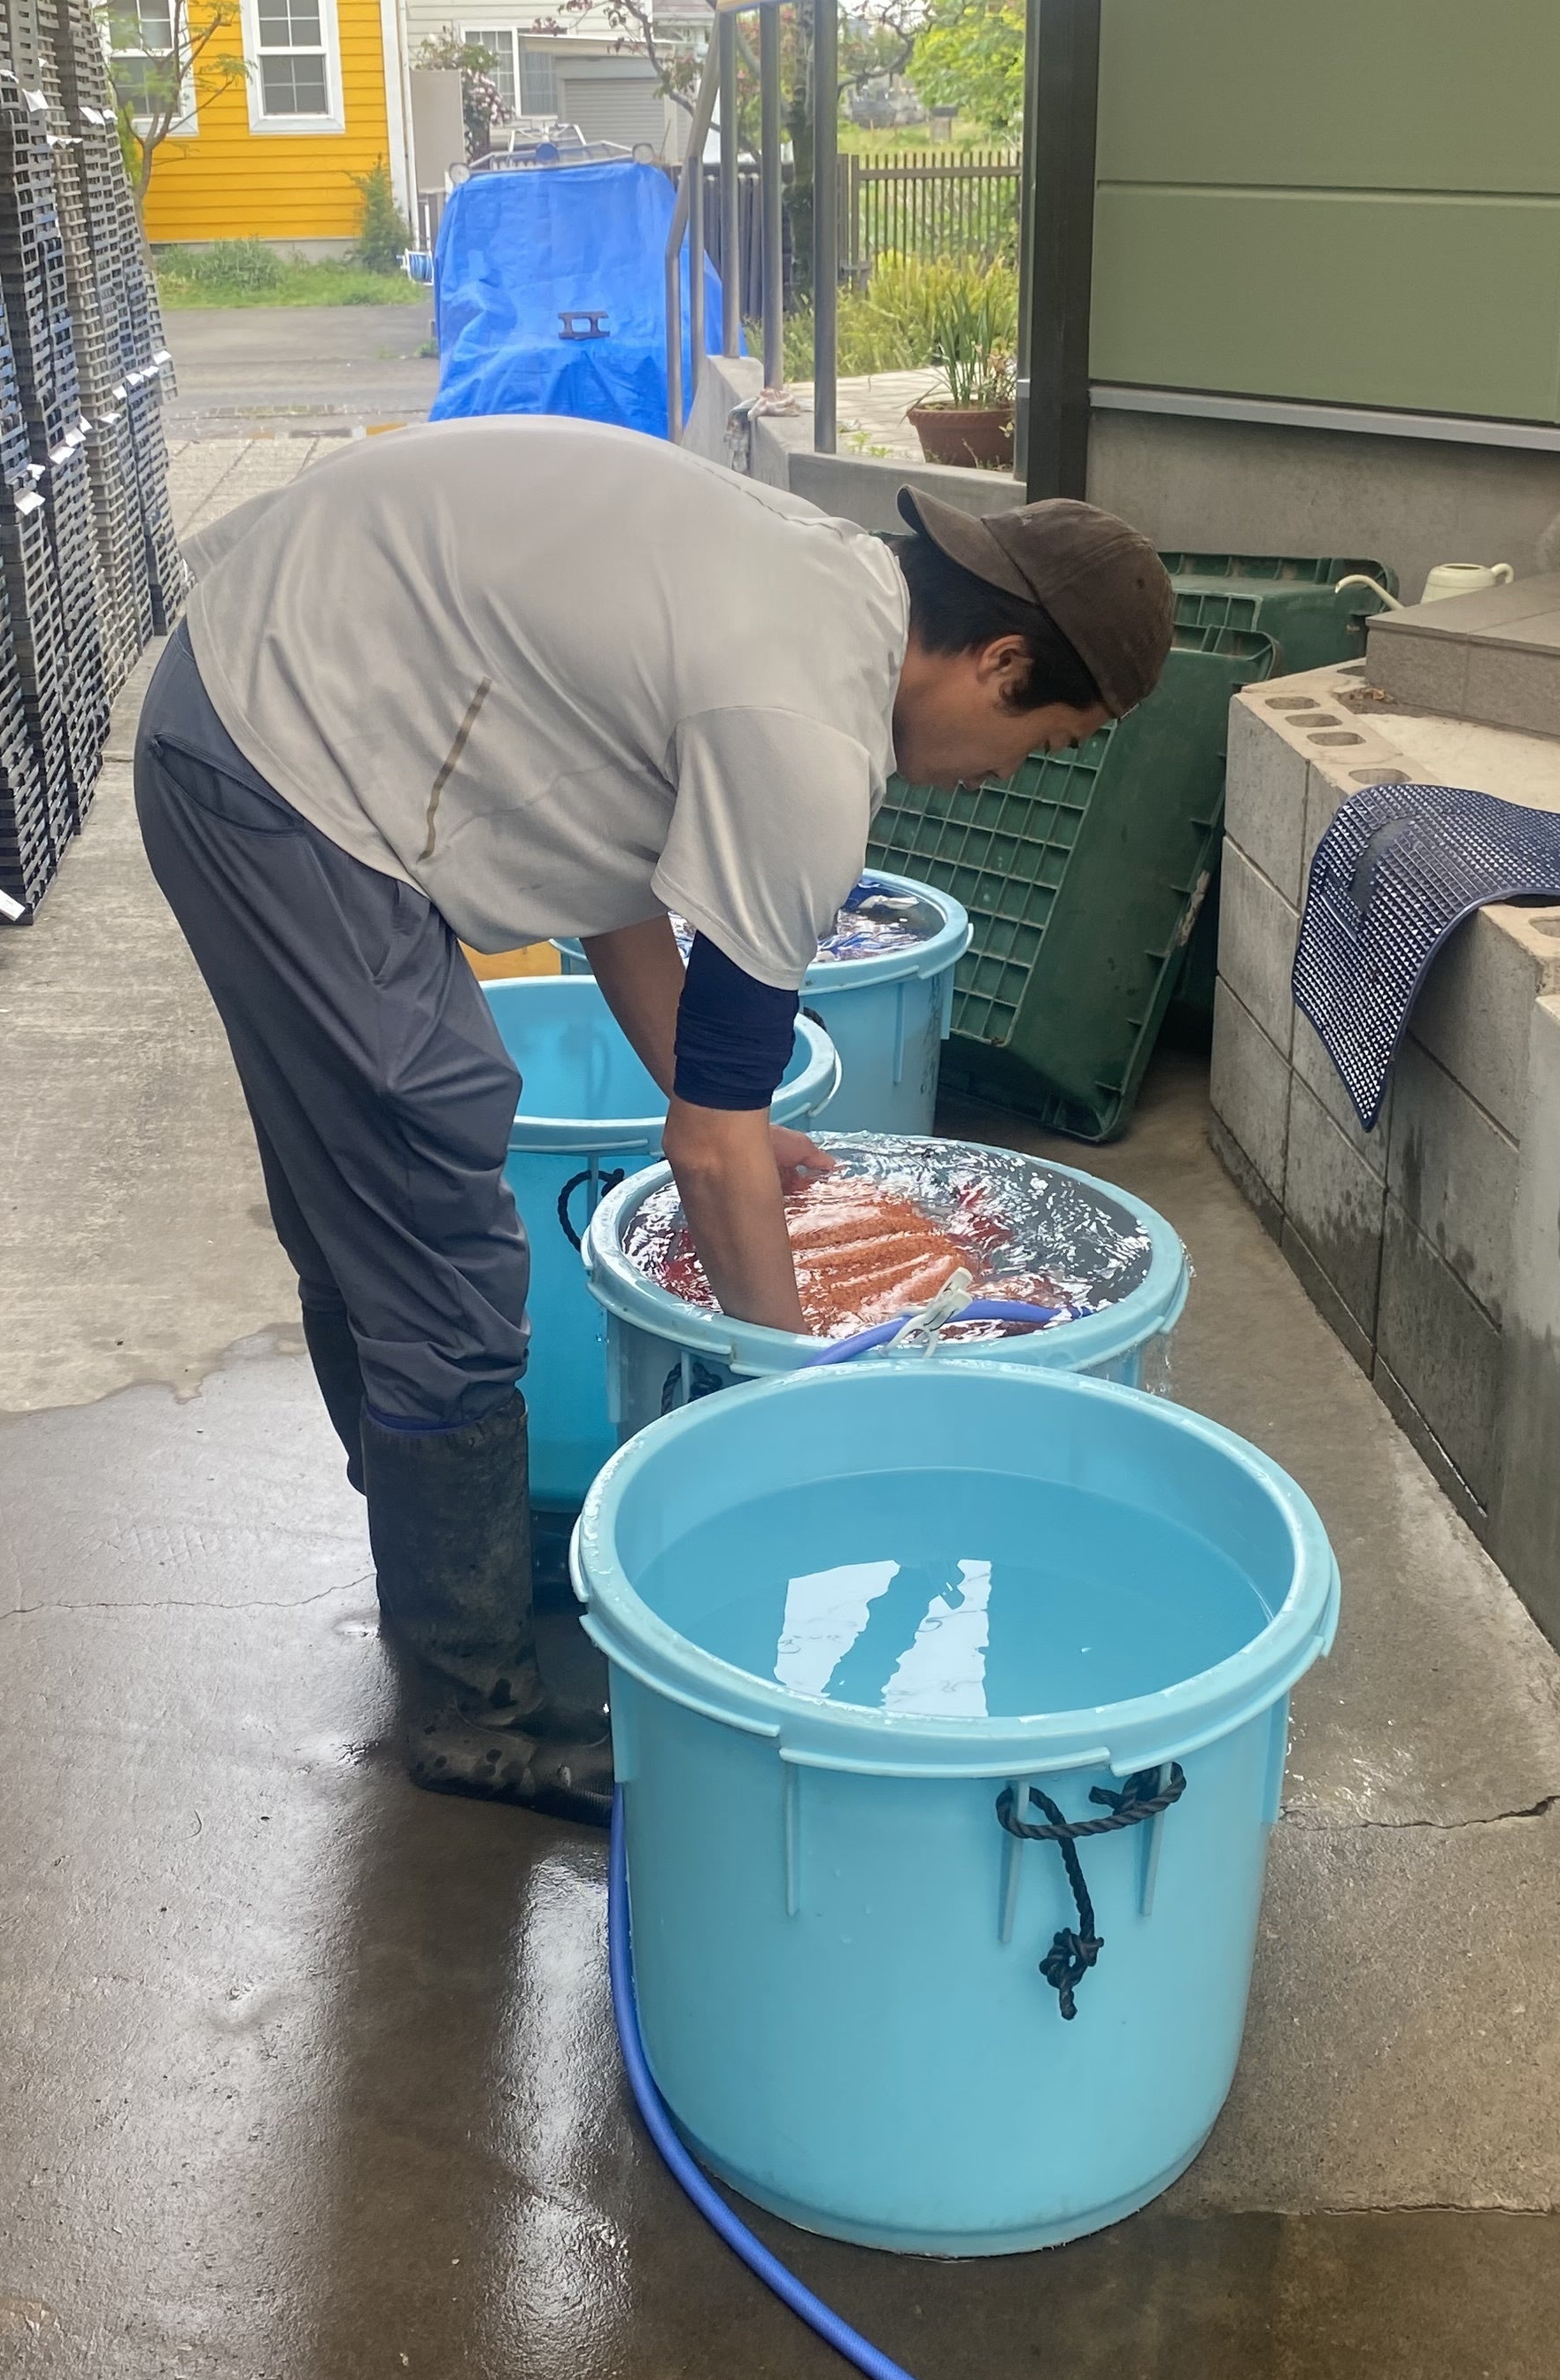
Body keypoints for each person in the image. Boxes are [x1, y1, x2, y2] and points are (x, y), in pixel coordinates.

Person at [135, 416, 1176, 1826]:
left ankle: (442, 1572)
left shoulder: (823, 589)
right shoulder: (808, 738)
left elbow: (612, 873)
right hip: (282, 755)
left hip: (266, 689)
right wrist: (798, 1399)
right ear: (998, 661)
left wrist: (725, 1100)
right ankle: (471, 1707)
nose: (1015, 773)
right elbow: (704, 1152)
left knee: (364, 1205)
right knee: (428, 1215)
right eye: (1045, 738)